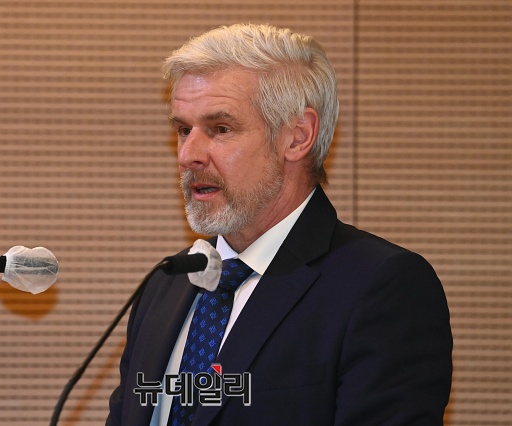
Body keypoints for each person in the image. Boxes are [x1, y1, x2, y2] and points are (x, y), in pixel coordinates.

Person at [107, 23, 452, 425]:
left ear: (297, 137)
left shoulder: (382, 287)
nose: (188, 155)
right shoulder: (165, 284)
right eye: (184, 130)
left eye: (220, 129)